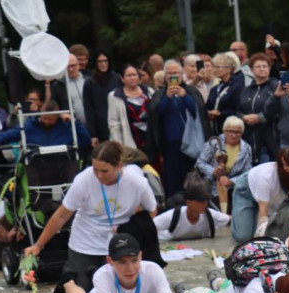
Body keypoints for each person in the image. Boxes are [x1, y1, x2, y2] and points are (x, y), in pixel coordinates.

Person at [24, 141, 159, 293]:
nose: (99, 175)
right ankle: (68, 281)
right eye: (95, 169)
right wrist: (39, 245)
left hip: (119, 243)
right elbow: (62, 215)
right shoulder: (84, 179)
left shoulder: (137, 182)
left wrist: (132, 227)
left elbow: (151, 211)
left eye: (105, 171)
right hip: (85, 241)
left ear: (119, 165)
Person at [64, 233, 181, 293]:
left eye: (134, 260)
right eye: (122, 262)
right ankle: (68, 282)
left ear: (141, 255)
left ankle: (87, 276)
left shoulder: (153, 269)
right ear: (109, 261)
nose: (130, 268)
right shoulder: (102, 276)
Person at [230, 148, 289, 242]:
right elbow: (264, 210)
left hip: (267, 197)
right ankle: (234, 218)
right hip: (247, 191)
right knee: (243, 237)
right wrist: (264, 239)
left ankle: (249, 217)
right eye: (283, 165)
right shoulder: (266, 177)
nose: (286, 168)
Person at [147, 59, 210, 197]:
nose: (172, 76)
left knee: (193, 180)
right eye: (169, 73)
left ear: (182, 74)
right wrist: (168, 98)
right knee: (173, 182)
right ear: (165, 76)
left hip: (192, 145)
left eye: (175, 73)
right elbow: (156, 114)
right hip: (171, 146)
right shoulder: (160, 94)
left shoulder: (191, 91)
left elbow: (198, 112)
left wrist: (185, 97)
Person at [194, 116, 253, 207]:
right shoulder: (214, 143)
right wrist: (213, 171)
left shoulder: (246, 148)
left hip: (234, 192)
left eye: (237, 132)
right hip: (210, 190)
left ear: (242, 133)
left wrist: (231, 181)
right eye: (230, 131)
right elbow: (200, 163)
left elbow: (247, 173)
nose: (233, 135)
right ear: (224, 131)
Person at [0, 99, 91, 150]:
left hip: (63, 165)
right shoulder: (30, 126)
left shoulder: (67, 128)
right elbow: (7, 136)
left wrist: (74, 123)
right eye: (44, 118)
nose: (46, 121)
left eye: (50, 119)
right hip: (36, 166)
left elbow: (86, 141)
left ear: (58, 117)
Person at [238, 53, 279, 164]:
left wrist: (260, 117)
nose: (262, 69)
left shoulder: (276, 87)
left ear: (269, 69)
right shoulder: (246, 90)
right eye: (258, 66)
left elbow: (281, 110)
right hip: (250, 138)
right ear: (251, 70)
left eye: (265, 66)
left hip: (271, 138)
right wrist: (243, 117)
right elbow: (237, 110)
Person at [154, 183, 230, 241]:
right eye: (201, 201)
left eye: (206, 201)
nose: (205, 204)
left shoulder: (209, 214)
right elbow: (151, 225)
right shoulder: (173, 215)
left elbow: (230, 218)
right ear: (188, 203)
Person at [107, 64, 153, 152]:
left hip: (150, 139)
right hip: (130, 140)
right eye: (129, 75)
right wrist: (119, 146)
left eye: (134, 75)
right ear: (122, 79)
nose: (132, 78)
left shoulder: (149, 92)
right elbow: (114, 123)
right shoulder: (114, 96)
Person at [82, 50, 120, 146]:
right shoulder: (90, 83)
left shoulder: (117, 78)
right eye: (100, 61)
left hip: (118, 125)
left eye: (105, 61)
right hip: (100, 129)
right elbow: (88, 109)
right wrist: (93, 134)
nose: (103, 64)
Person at [206, 51, 244, 137]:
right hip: (215, 131)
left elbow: (239, 110)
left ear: (229, 69)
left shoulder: (237, 86)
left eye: (218, 67)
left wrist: (221, 113)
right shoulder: (215, 88)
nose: (214, 70)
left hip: (231, 133)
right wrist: (208, 113)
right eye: (214, 67)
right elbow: (208, 105)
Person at [50, 53, 86, 126]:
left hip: (91, 126)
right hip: (70, 126)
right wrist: (61, 114)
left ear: (78, 65)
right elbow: (53, 106)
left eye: (73, 66)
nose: (70, 69)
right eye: (67, 67)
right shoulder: (58, 85)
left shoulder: (87, 81)